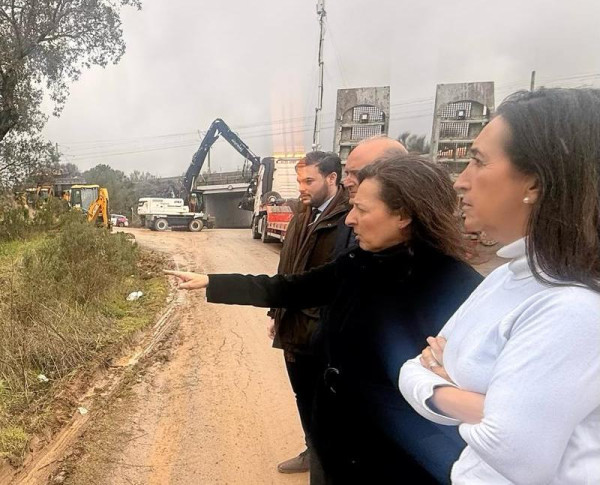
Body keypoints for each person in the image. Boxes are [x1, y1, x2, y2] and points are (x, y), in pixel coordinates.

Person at [168, 155, 482, 483]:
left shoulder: (460, 289)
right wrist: (212, 282)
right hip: (334, 441)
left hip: (392, 460)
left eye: (362, 209)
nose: (350, 220)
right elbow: (290, 288)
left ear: (403, 214)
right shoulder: (360, 262)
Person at [399, 88, 600, 484]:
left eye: (477, 162)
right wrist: (484, 401)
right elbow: (412, 369)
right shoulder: (512, 275)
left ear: (536, 185)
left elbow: (513, 450)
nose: (460, 182)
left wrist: (446, 377)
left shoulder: (573, 308)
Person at [271, 151, 350, 476]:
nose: (302, 187)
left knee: (326, 402)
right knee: (302, 393)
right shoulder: (301, 214)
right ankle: (311, 452)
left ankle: (326, 464)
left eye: (309, 180)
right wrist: (275, 314)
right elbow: (286, 267)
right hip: (293, 325)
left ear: (332, 178)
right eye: (300, 181)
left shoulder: (348, 218)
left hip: (322, 331)